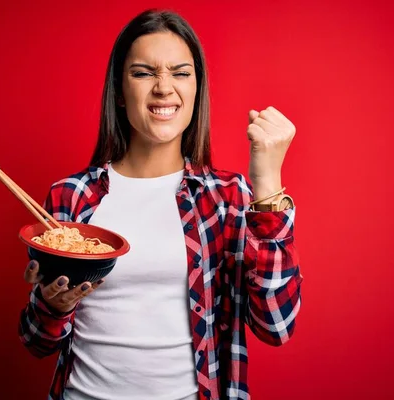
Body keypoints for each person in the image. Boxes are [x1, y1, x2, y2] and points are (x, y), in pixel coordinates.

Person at [19, 9, 303, 400]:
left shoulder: (227, 198)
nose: (164, 88)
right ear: (119, 92)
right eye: (143, 73)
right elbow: (37, 342)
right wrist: (53, 305)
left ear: (196, 89)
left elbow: (275, 325)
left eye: (181, 73)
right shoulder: (70, 196)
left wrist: (267, 183)